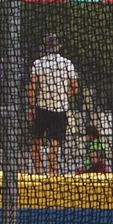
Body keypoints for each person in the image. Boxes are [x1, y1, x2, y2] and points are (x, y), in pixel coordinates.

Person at [27, 34, 78, 175]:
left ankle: (38, 172)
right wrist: (63, 95)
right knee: (54, 142)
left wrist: (31, 108)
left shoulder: (39, 63)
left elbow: (31, 87)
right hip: (60, 108)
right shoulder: (67, 63)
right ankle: (53, 172)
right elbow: (75, 87)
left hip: (42, 107)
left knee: (37, 140)